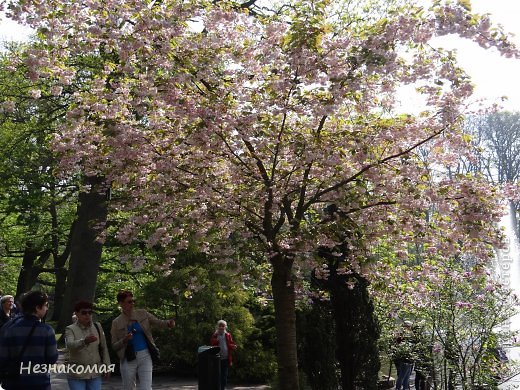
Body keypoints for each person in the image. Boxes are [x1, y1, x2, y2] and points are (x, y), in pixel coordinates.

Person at [110, 290, 175, 390]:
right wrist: (125, 339)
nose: (132, 304)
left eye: (133, 301)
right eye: (129, 302)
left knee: (146, 388)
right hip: (128, 358)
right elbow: (114, 345)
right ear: (121, 303)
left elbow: (158, 322)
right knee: (129, 388)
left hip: (145, 355)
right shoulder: (116, 322)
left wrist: (168, 323)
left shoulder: (142, 314)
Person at [0, 290, 59, 390]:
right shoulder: (47, 331)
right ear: (37, 307)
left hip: (14, 382)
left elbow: (2, 358)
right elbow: (52, 358)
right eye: (45, 305)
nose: (47, 308)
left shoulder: (9, 328)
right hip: (39, 382)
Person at [65, 300, 111, 390]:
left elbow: (104, 347)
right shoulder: (70, 329)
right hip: (76, 373)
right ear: (77, 314)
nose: (87, 315)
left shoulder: (98, 326)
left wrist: (107, 366)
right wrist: (84, 341)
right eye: (84, 312)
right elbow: (70, 345)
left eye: (90, 312)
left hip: (95, 372)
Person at [210, 320, 237, 390]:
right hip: (217, 358)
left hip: (226, 358)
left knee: (224, 375)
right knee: (217, 375)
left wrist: (233, 346)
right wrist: (216, 340)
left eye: (223, 326)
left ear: (225, 327)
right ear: (218, 327)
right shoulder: (215, 335)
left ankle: (223, 388)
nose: (221, 327)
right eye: (220, 326)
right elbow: (212, 345)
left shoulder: (227, 335)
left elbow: (230, 344)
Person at [391, 321, 416, 390]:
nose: (410, 328)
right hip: (405, 359)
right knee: (402, 376)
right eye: (409, 327)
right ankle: (398, 388)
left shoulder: (405, 335)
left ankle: (405, 388)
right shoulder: (402, 336)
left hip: (409, 359)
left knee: (406, 377)